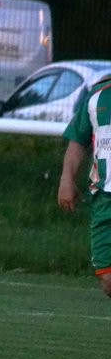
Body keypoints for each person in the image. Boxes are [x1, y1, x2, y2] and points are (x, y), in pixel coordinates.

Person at [56, 73, 111, 297]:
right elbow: (77, 141)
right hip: (104, 199)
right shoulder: (98, 95)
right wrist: (66, 180)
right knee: (107, 278)